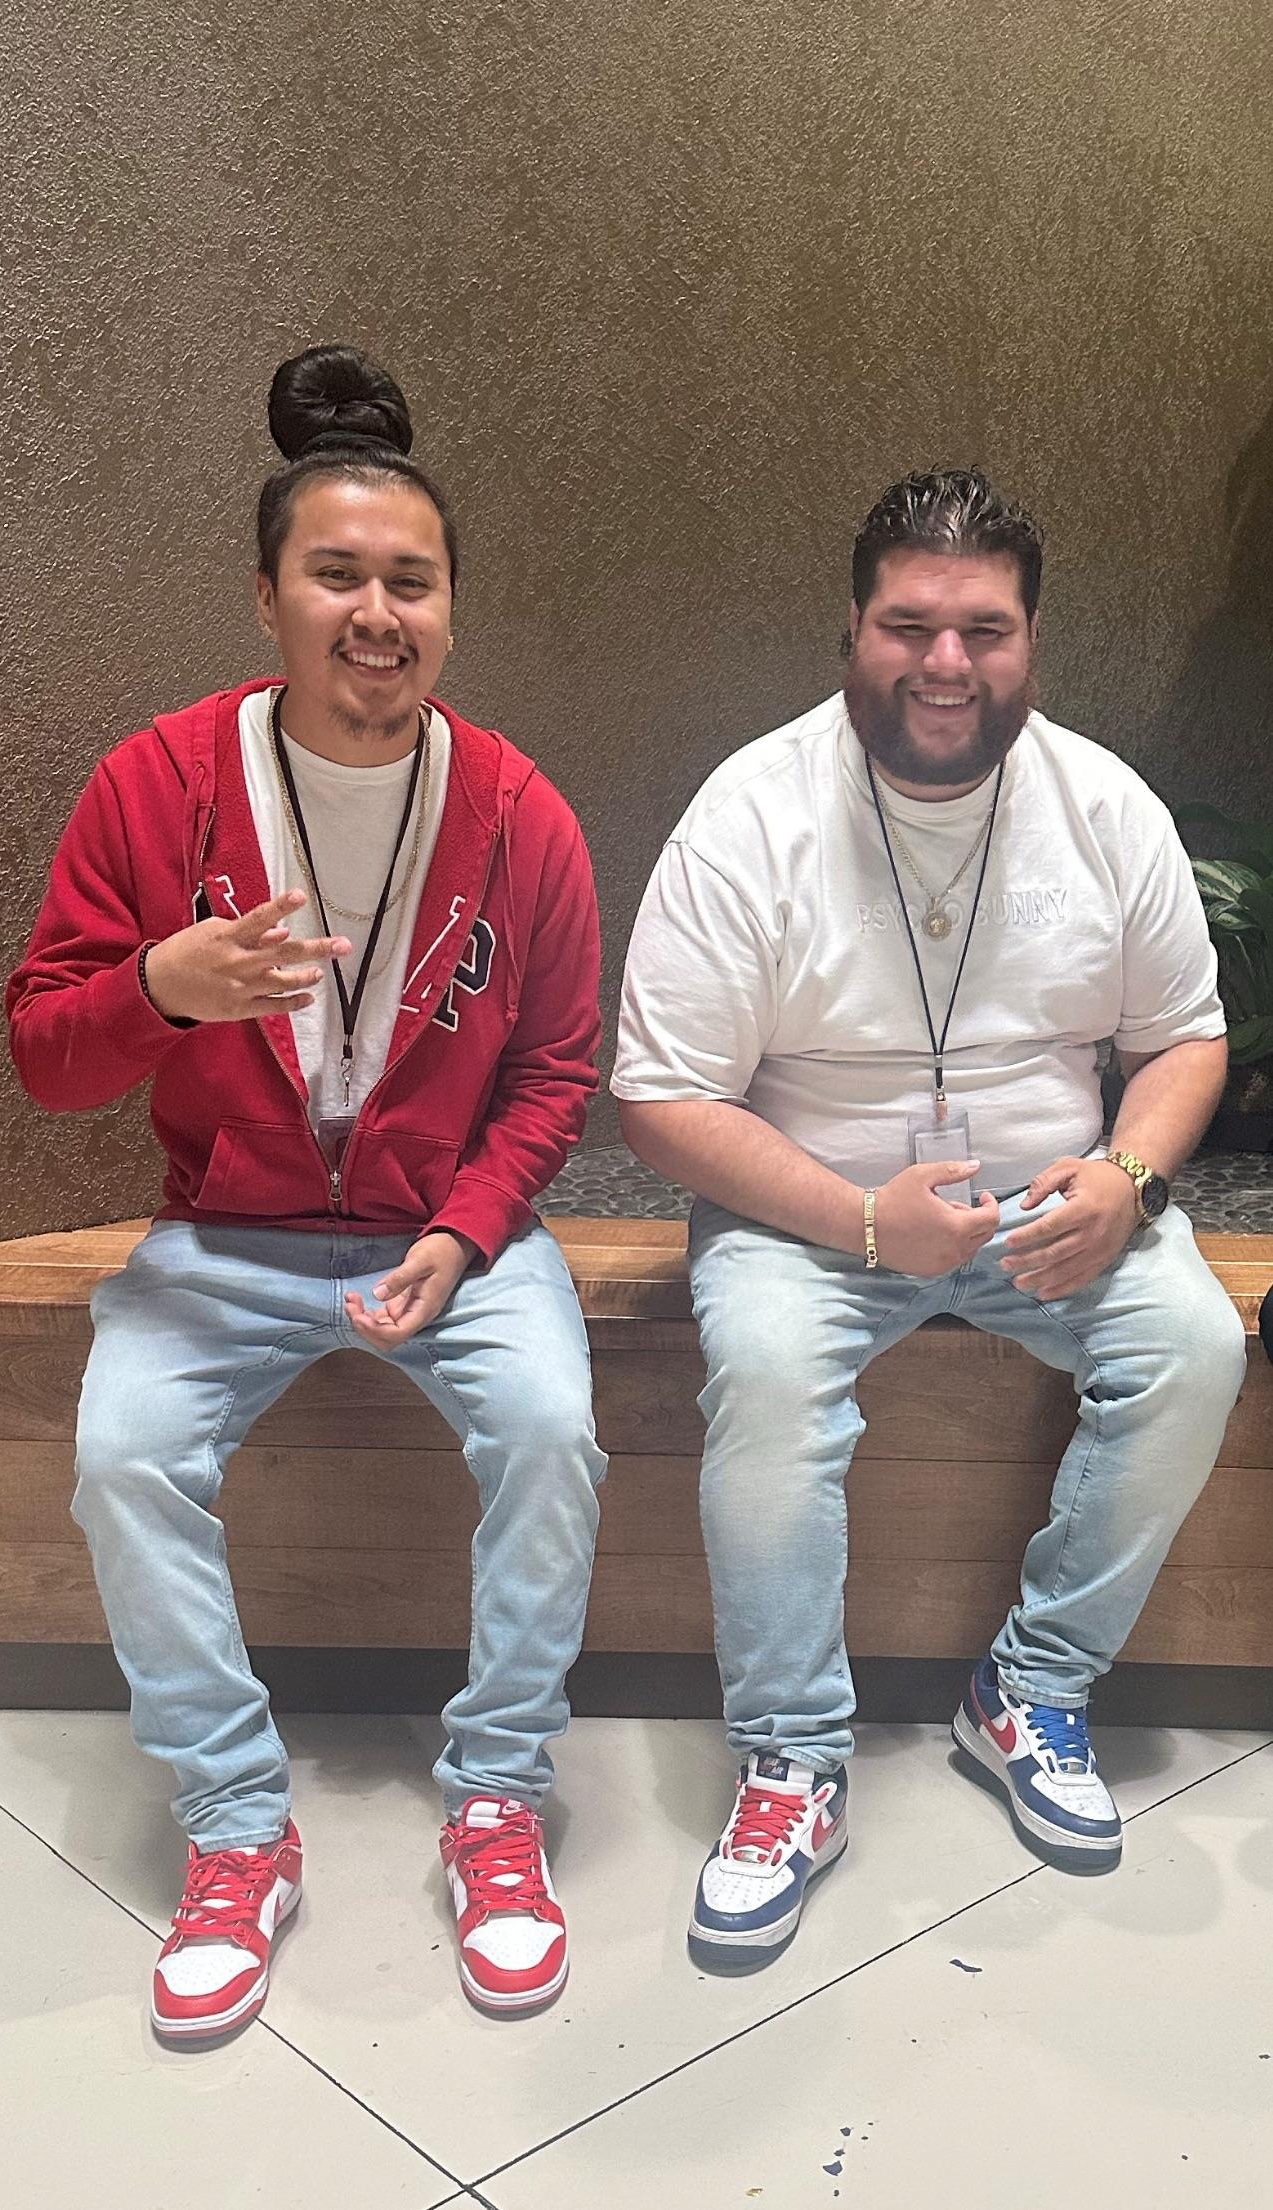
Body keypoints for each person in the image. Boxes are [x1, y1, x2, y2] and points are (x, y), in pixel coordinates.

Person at [7, 346, 605, 2034]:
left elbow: (558, 1068)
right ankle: (233, 1826)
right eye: (335, 572)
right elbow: (48, 1052)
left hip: (447, 1235)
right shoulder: (155, 783)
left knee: (555, 1428)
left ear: (450, 611)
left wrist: (464, 1227)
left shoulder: (518, 812)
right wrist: (163, 989)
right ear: (266, 595)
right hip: (225, 1233)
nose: (375, 609)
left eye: (409, 580)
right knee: (124, 1454)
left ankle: (496, 1797)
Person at [614, 466, 1246, 1970]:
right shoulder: (749, 811)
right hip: (805, 1206)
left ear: (1030, 640)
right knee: (766, 1379)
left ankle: (1029, 1686)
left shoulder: (1103, 806)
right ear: (852, 628)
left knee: (1195, 1344)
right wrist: (852, 1217)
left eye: (983, 628)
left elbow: (1187, 1035)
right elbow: (658, 1094)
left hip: (1054, 1204)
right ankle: (789, 1761)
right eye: (909, 624)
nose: (945, 664)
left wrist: (1129, 1179)